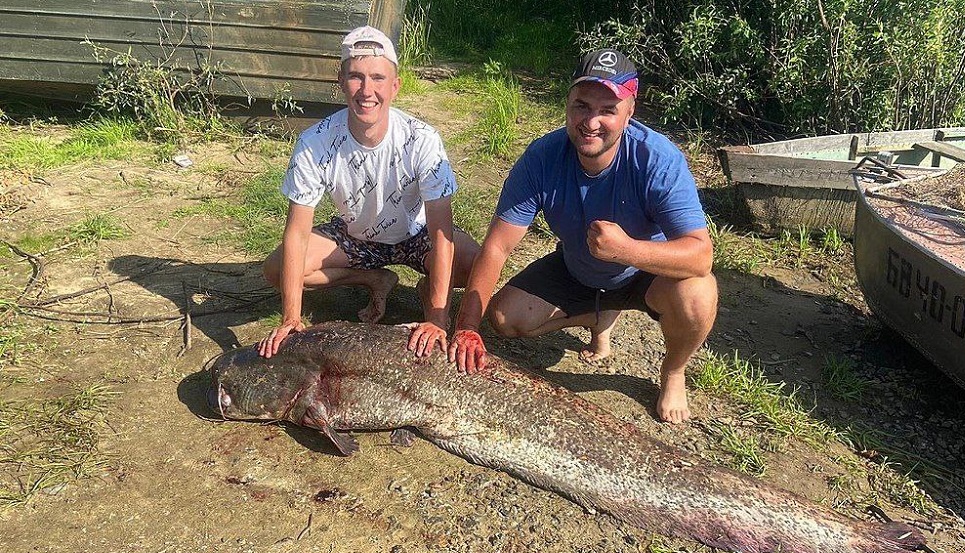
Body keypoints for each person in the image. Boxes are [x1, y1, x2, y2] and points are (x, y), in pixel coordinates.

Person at [448, 49, 717, 423]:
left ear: (630, 111)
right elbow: (496, 247)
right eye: (581, 106)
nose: (591, 121)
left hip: (647, 274)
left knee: (699, 293)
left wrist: (626, 250)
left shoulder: (658, 160)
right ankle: (599, 314)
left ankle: (673, 371)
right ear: (568, 104)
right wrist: (466, 329)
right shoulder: (543, 156)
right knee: (506, 319)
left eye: (607, 109)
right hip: (578, 268)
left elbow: (701, 256)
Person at [258, 26, 478, 359]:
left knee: (478, 265)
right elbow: (296, 233)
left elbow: (441, 233)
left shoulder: (423, 139)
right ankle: (373, 279)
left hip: (416, 235)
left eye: (377, 78)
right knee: (277, 270)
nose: (366, 90)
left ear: (395, 85)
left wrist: (437, 319)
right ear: (340, 81)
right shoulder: (314, 143)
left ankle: (428, 291)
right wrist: (292, 316)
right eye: (355, 77)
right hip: (355, 237)